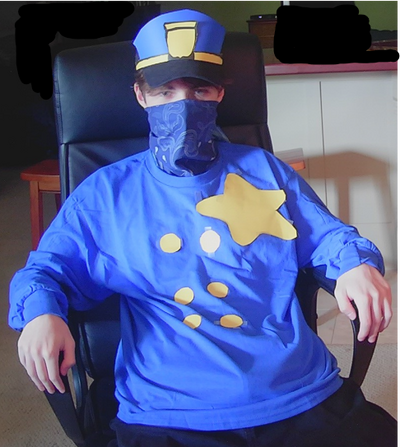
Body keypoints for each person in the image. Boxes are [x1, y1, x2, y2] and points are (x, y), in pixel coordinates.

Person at [8, 9, 399, 447]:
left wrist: (355, 264)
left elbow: (330, 237)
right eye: (164, 91)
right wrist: (40, 312)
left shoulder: (264, 170)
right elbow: (45, 271)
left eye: (200, 88)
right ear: (140, 95)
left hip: (297, 391)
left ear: (220, 93)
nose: (183, 104)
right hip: (170, 411)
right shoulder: (105, 193)